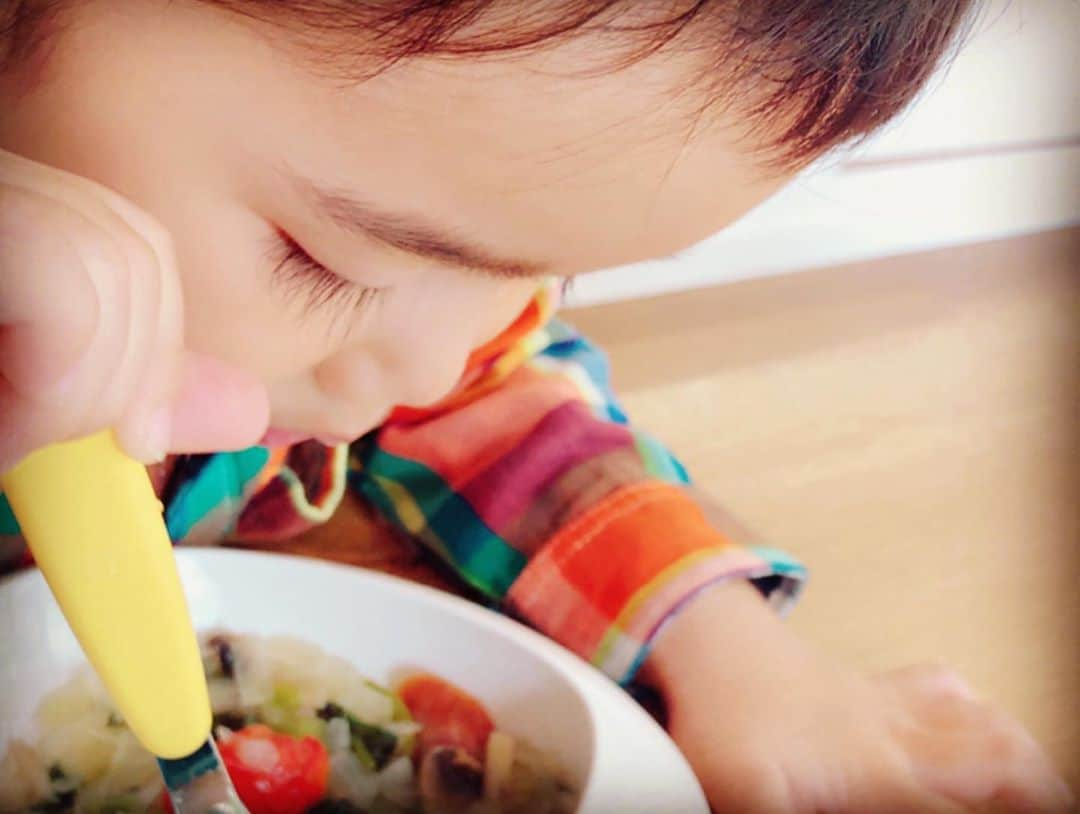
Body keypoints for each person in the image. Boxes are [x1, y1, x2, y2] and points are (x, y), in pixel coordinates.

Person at [1, 2, 1073, 811]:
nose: (434, 366)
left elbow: (499, 394)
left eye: (547, 275)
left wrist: (722, 645)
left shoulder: (432, 339)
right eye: (329, 258)